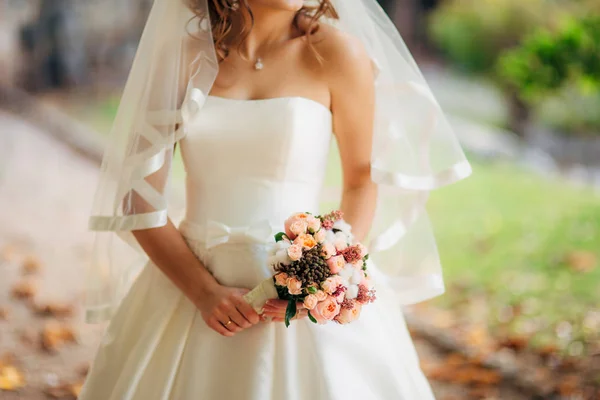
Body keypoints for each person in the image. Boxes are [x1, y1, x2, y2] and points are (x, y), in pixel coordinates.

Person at [80, 0, 471, 399]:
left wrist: (324, 273)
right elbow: (138, 199)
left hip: (302, 288)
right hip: (190, 282)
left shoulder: (336, 52)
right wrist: (202, 291)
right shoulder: (183, 55)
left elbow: (360, 179)